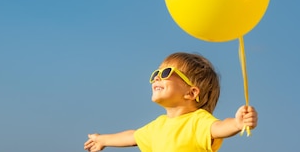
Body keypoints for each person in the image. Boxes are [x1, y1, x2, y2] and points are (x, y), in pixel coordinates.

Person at [83, 52, 258, 152]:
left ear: (191, 92)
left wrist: (237, 123)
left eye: (166, 73)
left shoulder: (197, 121)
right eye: (156, 73)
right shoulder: (158, 126)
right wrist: (103, 139)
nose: (157, 77)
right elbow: (132, 137)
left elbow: (218, 128)